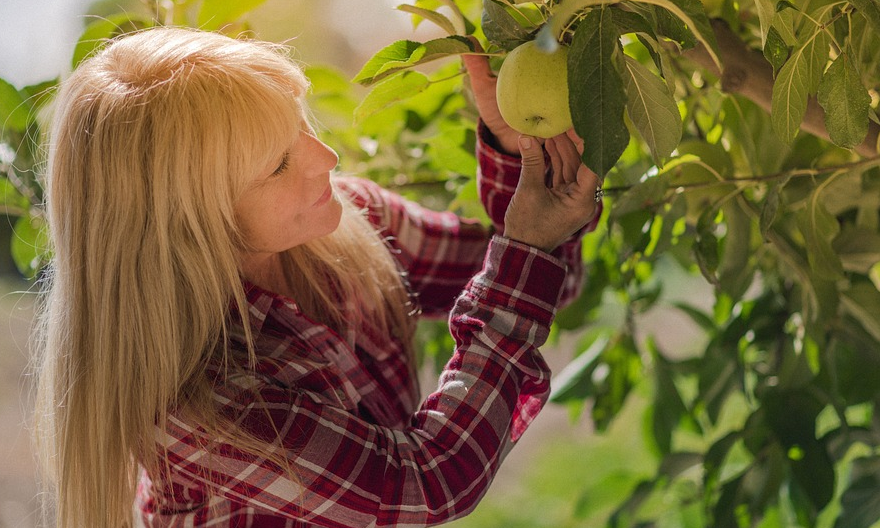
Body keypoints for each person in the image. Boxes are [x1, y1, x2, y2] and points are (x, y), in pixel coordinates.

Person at [33, 27, 602, 528]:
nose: (326, 157)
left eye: (299, 121)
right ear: (190, 223)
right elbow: (426, 483)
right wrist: (528, 248)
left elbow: (540, 281)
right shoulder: (197, 403)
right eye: (278, 163)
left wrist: (518, 150)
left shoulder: (348, 222)